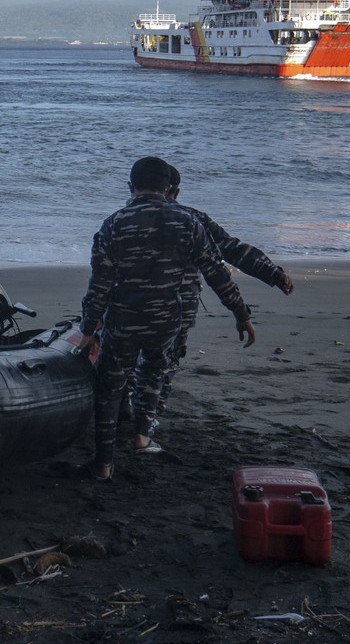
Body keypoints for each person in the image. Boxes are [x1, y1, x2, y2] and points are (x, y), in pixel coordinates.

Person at [77, 157, 256, 481]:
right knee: (153, 373)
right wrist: (241, 313)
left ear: (131, 187)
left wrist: (89, 328)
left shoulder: (114, 223)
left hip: (123, 322)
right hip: (167, 322)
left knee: (110, 389)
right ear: (169, 188)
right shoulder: (187, 222)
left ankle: (103, 465)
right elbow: (217, 271)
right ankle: (142, 438)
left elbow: (100, 283)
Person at [125, 161, 295, 427]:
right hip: (176, 307)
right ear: (175, 192)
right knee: (164, 362)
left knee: (129, 359)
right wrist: (272, 274)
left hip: (127, 305)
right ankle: (146, 424)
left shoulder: (123, 218)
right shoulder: (193, 220)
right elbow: (231, 251)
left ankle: (127, 410)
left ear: (133, 187)